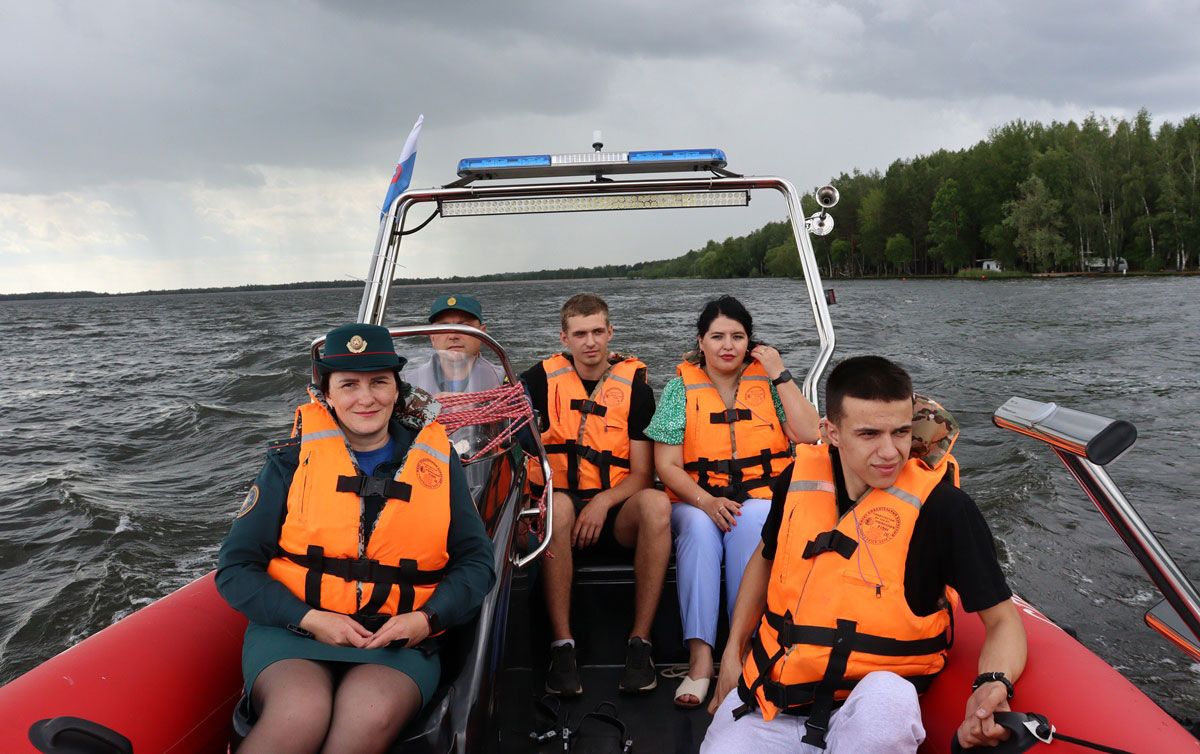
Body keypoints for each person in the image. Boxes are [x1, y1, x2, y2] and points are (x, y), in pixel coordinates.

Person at [701, 356, 1027, 753]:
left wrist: (993, 682)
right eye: (869, 434)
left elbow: (1003, 622)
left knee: (886, 701)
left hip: (868, 701)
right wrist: (733, 652)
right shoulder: (797, 480)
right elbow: (764, 560)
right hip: (772, 697)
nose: (890, 452)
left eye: (902, 432)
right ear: (832, 432)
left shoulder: (945, 509)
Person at [216, 323, 496, 754]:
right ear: (326, 394)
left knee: (366, 715)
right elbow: (235, 569)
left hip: (398, 639)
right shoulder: (288, 464)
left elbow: (477, 563)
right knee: (299, 714)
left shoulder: (438, 464)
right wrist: (309, 618)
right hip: (295, 630)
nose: (365, 398)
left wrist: (426, 620)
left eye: (379, 382)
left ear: (397, 390)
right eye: (348, 384)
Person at [643, 294, 821, 709]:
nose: (728, 345)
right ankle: (701, 659)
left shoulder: (770, 383)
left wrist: (780, 373)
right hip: (695, 499)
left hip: (759, 497)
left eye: (737, 337)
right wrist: (706, 501)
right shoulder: (678, 389)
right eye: (718, 336)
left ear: (750, 343)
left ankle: (741, 652)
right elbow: (667, 466)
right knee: (701, 533)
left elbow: (810, 432)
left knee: (754, 518)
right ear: (700, 341)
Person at [521, 293, 671, 696]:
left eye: (598, 332)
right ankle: (563, 647)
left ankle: (641, 644)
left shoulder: (636, 389)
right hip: (558, 513)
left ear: (610, 333)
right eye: (580, 334)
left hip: (615, 514)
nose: (590, 342)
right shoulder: (536, 381)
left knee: (658, 503)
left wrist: (604, 501)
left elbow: (642, 474)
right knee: (562, 506)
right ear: (564, 338)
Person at [405, 294, 505, 500]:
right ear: (432, 337)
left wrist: (481, 405)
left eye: (464, 326)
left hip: (485, 476)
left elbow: (524, 424)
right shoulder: (406, 385)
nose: (453, 335)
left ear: (482, 333)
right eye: (443, 328)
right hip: (424, 479)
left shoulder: (505, 381)